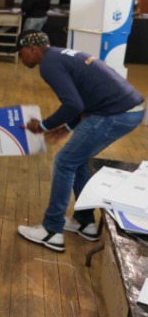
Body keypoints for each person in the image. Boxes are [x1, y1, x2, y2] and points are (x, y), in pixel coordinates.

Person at [14, 30, 144, 252]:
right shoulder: (60, 55)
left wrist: (42, 126)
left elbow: (73, 105)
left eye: (21, 52)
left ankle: (51, 231)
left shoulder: (48, 65)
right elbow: (82, 100)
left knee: (64, 162)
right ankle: (84, 222)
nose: (21, 57)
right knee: (79, 161)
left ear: (33, 49)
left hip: (115, 114)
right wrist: (67, 126)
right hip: (128, 109)